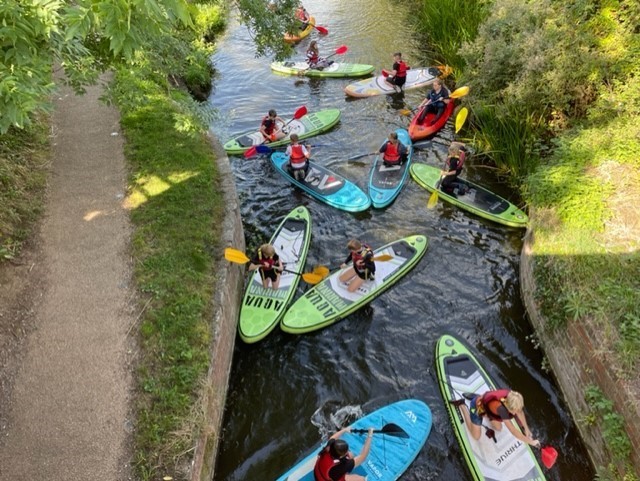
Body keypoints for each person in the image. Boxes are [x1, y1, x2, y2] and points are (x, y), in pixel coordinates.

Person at [450, 389, 541, 448]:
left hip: (489, 409)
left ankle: (480, 399)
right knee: (476, 436)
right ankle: (462, 405)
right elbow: (513, 431)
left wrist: (526, 429)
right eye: (513, 411)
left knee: (499, 428)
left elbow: (520, 412)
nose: (514, 413)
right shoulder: (501, 409)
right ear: (507, 406)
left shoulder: (513, 397)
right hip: (478, 408)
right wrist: (530, 442)